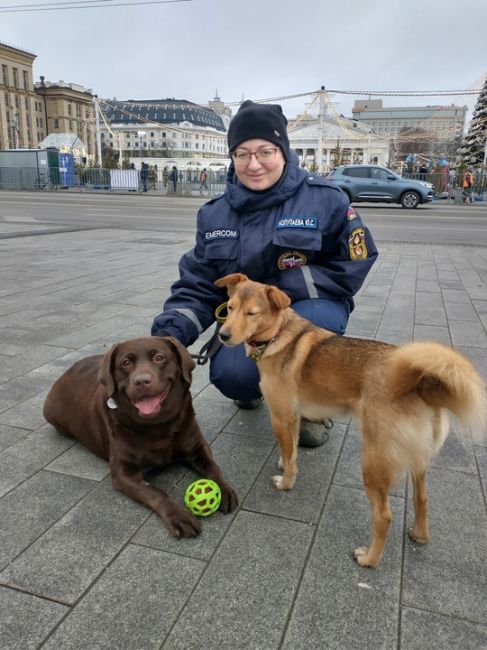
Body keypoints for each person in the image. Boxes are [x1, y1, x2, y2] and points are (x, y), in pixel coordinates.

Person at [151, 100, 378, 446]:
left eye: (264, 152)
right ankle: (257, 387)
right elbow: (198, 283)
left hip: (310, 307)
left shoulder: (325, 199)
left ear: (283, 151)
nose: (253, 164)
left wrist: (280, 288)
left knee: (313, 332)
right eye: (242, 154)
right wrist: (170, 334)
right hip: (249, 319)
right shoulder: (214, 214)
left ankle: (313, 409)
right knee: (232, 375)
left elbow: (356, 260)